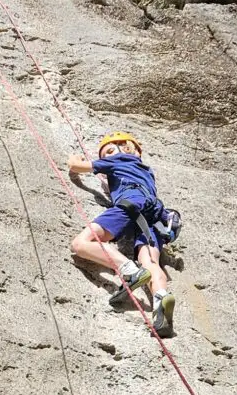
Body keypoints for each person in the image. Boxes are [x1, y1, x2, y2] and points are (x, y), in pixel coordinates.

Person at [68, 130, 176, 337]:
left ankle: (129, 270)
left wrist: (75, 159)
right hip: (153, 215)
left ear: (122, 149)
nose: (108, 156)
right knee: (150, 262)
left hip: (129, 204)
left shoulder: (117, 160)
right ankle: (161, 300)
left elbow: (76, 167)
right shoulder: (145, 170)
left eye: (109, 151)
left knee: (80, 243)